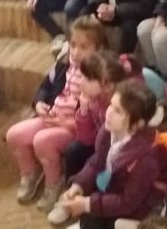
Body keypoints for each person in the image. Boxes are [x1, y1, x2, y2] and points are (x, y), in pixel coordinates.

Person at [7, 16, 107, 211]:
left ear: (98, 49)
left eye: (84, 47)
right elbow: (45, 86)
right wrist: (39, 104)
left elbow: (95, 120)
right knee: (14, 135)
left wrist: (65, 122)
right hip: (53, 117)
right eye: (73, 45)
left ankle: (54, 182)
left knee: (42, 141)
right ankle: (30, 173)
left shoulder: (98, 78)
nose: (76, 52)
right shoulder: (64, 65)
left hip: (74, 128)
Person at [52, 80, 167, 229]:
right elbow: (96, 162)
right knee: (77, 168)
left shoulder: (147, 159)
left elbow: (128, 202)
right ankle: (80, 211)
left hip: (138, 208)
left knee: (90, 226)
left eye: (118, 111)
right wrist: (78, 185)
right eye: (111, 105)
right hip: (112, 186)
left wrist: (87, 204)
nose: (109, 113)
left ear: (138, 124)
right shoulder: (109, 130)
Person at [66, 50, 129, 180]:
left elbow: (114, 144)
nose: (81, 82)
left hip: (116, 150)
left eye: (87, 79)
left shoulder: (120, 108)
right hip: (100, 144)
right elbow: (85, 139)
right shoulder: (94, 99)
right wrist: (84, 110)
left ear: (108, 86)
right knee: (74, 150)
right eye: (82, 76)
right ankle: (73, 186)